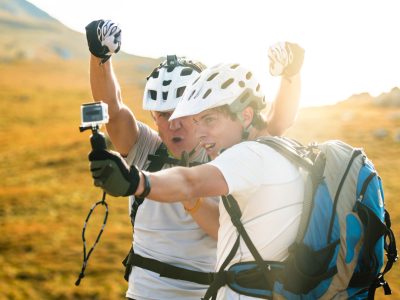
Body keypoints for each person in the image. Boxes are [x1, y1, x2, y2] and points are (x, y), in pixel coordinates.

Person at [85, 19, 303, 300]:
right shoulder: (145, 147)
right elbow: (113, 110)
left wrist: (291, 74)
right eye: (163, 115)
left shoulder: (223, 151)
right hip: (144, 294)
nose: (173, 124)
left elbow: (275, 123)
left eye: (181, 113)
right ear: (154, 117)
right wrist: (99, 56)